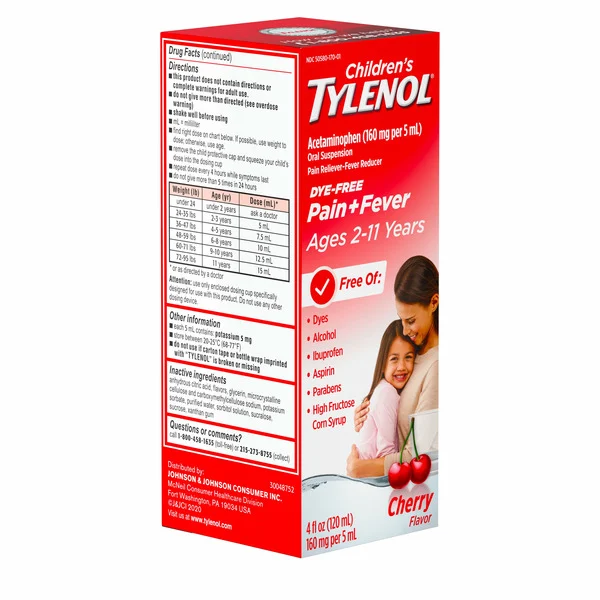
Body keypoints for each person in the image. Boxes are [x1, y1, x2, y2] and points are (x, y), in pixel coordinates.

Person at [347, 255, 439, 478]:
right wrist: (369, 415)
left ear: (434, 302)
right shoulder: (412, 350)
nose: (405, 330)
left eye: (411, 321)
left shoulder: (436, 366)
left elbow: (419, 454)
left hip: (408, 486)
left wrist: (360, 468)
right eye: (401, 319)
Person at [355, 320, 416, 459]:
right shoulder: (387, 393)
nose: (401, 367)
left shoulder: (386, 390)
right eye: (394, 359)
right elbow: (386, 452)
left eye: (408, 357)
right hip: (371, 472)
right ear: (383, 364)